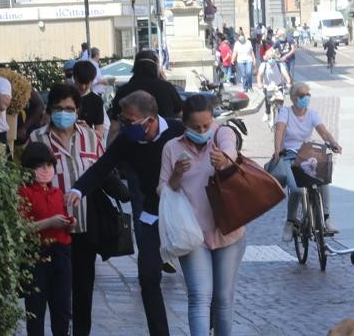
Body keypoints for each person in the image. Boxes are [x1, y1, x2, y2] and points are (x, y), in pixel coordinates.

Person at [66, 91, 186, 336]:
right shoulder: (126, 140)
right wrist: (79, 189)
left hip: (186, 214)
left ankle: (210, 323)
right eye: (123, 118)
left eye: (130, 120)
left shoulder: (177, 131)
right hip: (152, 214)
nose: (124, 124)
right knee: (148, 277)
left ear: (150, 120)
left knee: (199, 282)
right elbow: (102, 167)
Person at [28, 83, 128, 336]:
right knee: (50, 295)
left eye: (70, 108)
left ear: (78, 110)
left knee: (83, 290)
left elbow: (103, 172)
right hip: (49, 229)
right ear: (50, 110)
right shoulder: (37, 139)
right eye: (59, 108)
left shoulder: (91, 137)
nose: (65, 113)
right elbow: (28, 179)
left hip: (85, 223)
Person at [159, 95, 246, 336]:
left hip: (228, 231)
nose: (202, 131)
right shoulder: (172, 147)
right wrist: (176, 174)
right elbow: (163, 190)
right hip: (193, 234)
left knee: (223, 297)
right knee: (199, 296)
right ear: (184, 123)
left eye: (206, 125)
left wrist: (224, 160)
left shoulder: (222, 135)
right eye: (195, 127)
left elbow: (231, 152)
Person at [273, 82, 343, 238]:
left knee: (323, 178)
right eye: (302, 95)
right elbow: (280, 129)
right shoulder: (285, 112)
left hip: (307, 155)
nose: (305, 98)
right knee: (296, 189)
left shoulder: (312, 114)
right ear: (293, 98)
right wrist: (277, 150)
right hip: (289, 155)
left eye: (308, 95)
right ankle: (290, 222)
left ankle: (326, 218)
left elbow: (323, 132)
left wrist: (334, 144)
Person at [19, 142, 74, 336]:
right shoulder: (24, 193)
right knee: (36, 310)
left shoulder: (58, 193)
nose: (46, 170)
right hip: (37, 255)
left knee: (62, 309)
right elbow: (21, 228)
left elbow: (65, 225)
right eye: (40, 166)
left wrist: (69, 223)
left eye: (49, 165)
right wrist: (49, 222)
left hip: (61, 254)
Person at [109, 50, 183, 123]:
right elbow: (180, 114)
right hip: (166, 133)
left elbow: (115, 124)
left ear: (135, 66)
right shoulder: (167, 87)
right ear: (156, 67)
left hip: (132, 134)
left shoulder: (123, 90)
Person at [256, 49, 294, 125]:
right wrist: (259, 83)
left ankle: (279, 116)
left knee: (280, 100)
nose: (271, 60)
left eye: (273, 58)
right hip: (268, 86)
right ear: (266, 58)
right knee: (268, 98)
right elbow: (259, 75)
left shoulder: (280, 65)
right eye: (269, 58)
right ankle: (267, 112)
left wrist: (288, 82)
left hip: (278, 86)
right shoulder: (264, 65)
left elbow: (286, 74)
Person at [73, 61, 106, 138]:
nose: (83, 87)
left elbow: (100, 134)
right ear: (74, 78)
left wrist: (87, 129)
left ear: (92, 81)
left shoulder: (96, 101)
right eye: (80, 83)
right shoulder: (64, 96)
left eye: (87, 83)